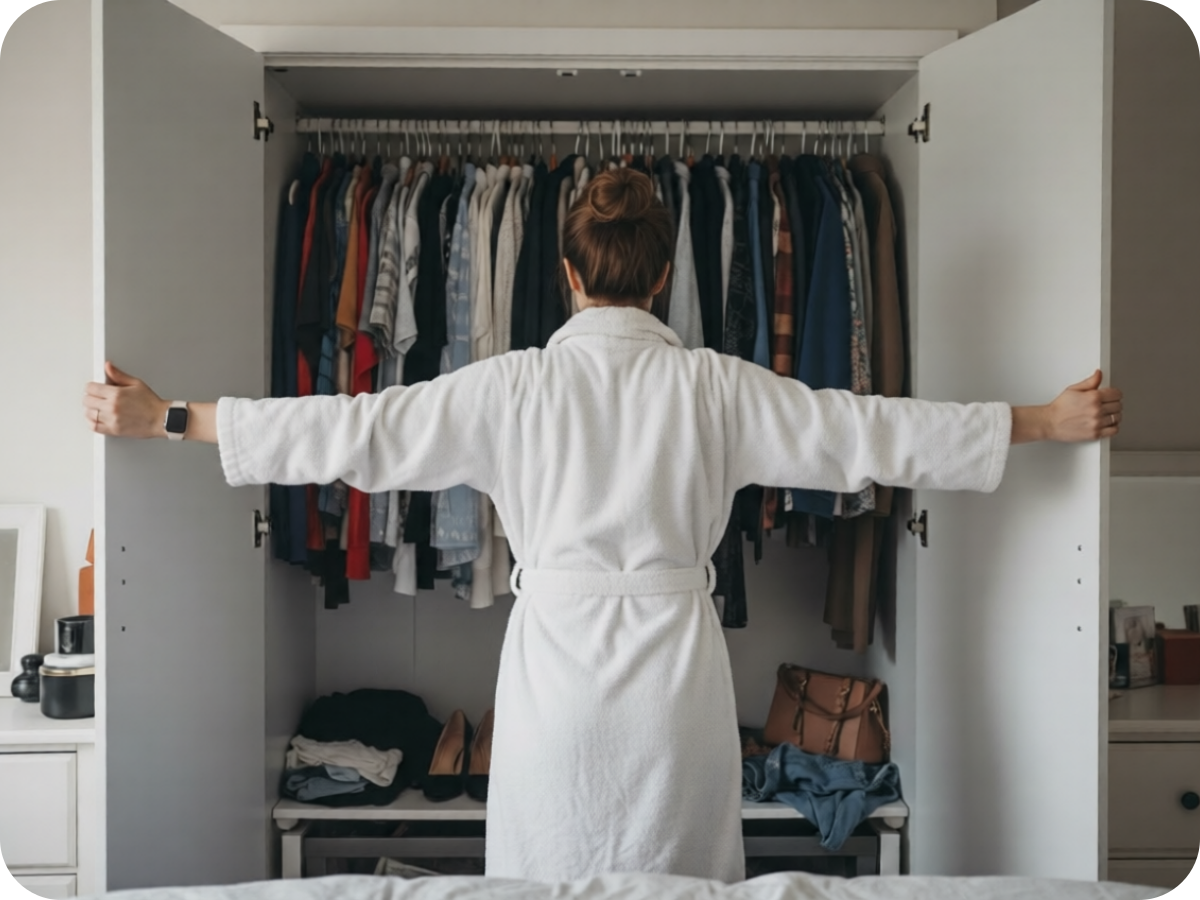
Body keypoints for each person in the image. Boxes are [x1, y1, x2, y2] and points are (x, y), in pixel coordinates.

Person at [83, 168, 1122, 883]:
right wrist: (1041, 421)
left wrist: (170, 417)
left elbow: (349, 434)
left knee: (548, 881)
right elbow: (873, 435)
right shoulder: (715, 388)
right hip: (676, 682)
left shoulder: (516, 388)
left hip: (558, 683)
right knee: (679, 889)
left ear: (570, 275)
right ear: (663, 274)